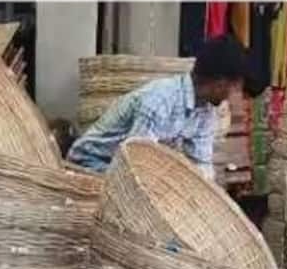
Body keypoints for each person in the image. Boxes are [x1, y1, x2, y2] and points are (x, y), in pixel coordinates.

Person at [64, 35, 258, 179]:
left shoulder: (206, 111)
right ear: (219, 83)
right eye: (235, 88)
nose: (233, 96)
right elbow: (134, 164)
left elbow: (201, 164)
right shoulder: (159, 101)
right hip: (92, 165)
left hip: (126, 168)